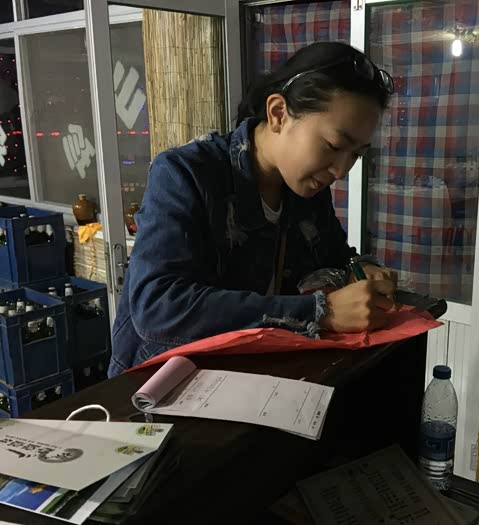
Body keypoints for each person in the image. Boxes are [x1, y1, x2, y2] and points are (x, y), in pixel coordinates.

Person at [108, 42, 398, 377]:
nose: (341, 170)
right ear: (278, 114)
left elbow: (334, 255)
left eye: (356, 154)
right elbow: (157, 306)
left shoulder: (306, 188)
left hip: (255, 374)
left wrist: (360, 269)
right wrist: (321, 311)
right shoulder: (185, 173)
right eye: (334, 146)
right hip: (164, 383)